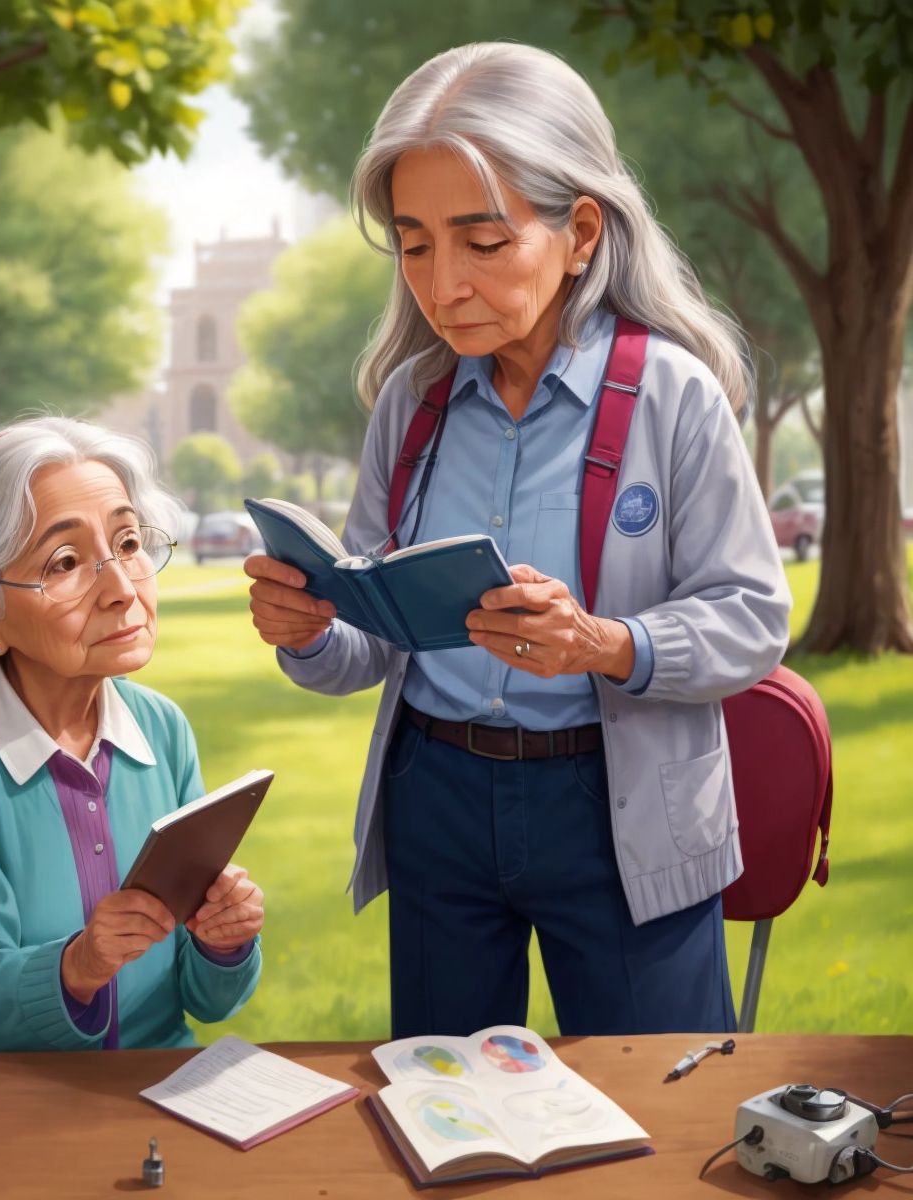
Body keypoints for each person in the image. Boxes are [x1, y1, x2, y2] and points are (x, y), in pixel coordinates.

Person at [245, 43, 790, 1038]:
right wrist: (311, 628)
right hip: (438, 797)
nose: (442, 284)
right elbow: (372, 642)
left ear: (581, 231)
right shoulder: (410, 406)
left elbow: (752, 621)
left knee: (661, 1121)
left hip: (617, 803)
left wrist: (601, 643)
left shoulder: (673, 396)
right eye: (413, 244)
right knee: (444, 1111)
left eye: (482, 242)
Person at [0, 417, 263, 1052]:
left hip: (160, 1085)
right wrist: (78, 967)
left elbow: (204, 1002)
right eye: (65, 561)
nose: (122, 589)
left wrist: (223, 943)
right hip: (5, 1099)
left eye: (127, 543)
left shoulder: (164, 730)